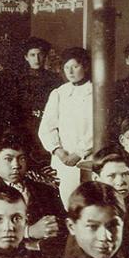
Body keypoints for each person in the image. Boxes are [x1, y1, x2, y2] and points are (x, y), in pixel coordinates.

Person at [0, 134, 66, 252]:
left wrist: (44, 241)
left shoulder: (45, 189)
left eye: (22, 158)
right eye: (8, 159)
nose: (16, 165)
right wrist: (28, 231)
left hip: (45, 255)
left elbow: (63, 225)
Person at [39, 46, 94, 204]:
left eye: (75, 67)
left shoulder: (95, 93)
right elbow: (46, 128)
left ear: (85, 66)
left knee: (87, 202)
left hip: (86, 156)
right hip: (62, 160)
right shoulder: (59, 93)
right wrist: (59, 151)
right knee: (65, 202)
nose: (70, 71)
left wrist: (78, 153)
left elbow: (96, 128)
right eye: (67, 67)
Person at [12, 37, 62, 147]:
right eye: (32, 55)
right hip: (26, 125)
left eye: (40, 54)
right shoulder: (18, 80)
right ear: (26, 57)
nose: (37, 59)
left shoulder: (55, 79)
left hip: (48, 123)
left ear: (45, 56)